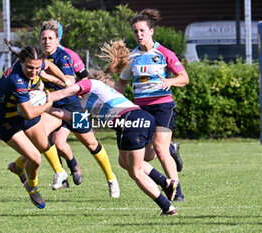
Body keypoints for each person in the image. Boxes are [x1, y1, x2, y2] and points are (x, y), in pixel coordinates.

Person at [47, 40, 179, 215]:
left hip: (129, 121)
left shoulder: (91, 84)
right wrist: (46, 108)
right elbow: (72, 117)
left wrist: (44, 98)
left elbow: (64, 92)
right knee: (124, 162)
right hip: (140, 119)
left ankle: (167, 207)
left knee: (135, 171)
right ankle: (165, 183)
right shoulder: (88, 101)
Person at [38, 19, 120, 198]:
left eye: (51, 38)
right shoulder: (39, 57)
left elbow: (69, 82)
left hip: (73, 106)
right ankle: (65, 169)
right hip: (54, 105)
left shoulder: (63, 57)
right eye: (44, 38)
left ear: (58, 40)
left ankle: (111, 178)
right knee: (48, 138)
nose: (47, 41)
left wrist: (46, 76)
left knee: (91, 143)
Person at [114, 9, 189, 202]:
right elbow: (122, 82)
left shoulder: (164, 53)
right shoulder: (132, 58)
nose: (139, 35)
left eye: (142, 31)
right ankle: (172, 150)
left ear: (151, 31)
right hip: (141, 110)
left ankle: (176, 192)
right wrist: (114, 102)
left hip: (163, 106)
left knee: (160, 149)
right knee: (145, 156)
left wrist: (170, 82)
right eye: (136, 32)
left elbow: (184, 78)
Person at [0, 45, 65, 208]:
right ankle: (32, 187)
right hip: (6, 121)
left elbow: (50, 66)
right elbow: (30, 113)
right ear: (21, 62)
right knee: (35, 158)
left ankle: (18, 167)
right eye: (30, 67)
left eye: (38, 68)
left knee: (44, 145)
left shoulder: (37, 63)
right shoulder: (16, 81)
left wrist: (65, 80)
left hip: (22, 112)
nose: (34, 71)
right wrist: (48, 103)